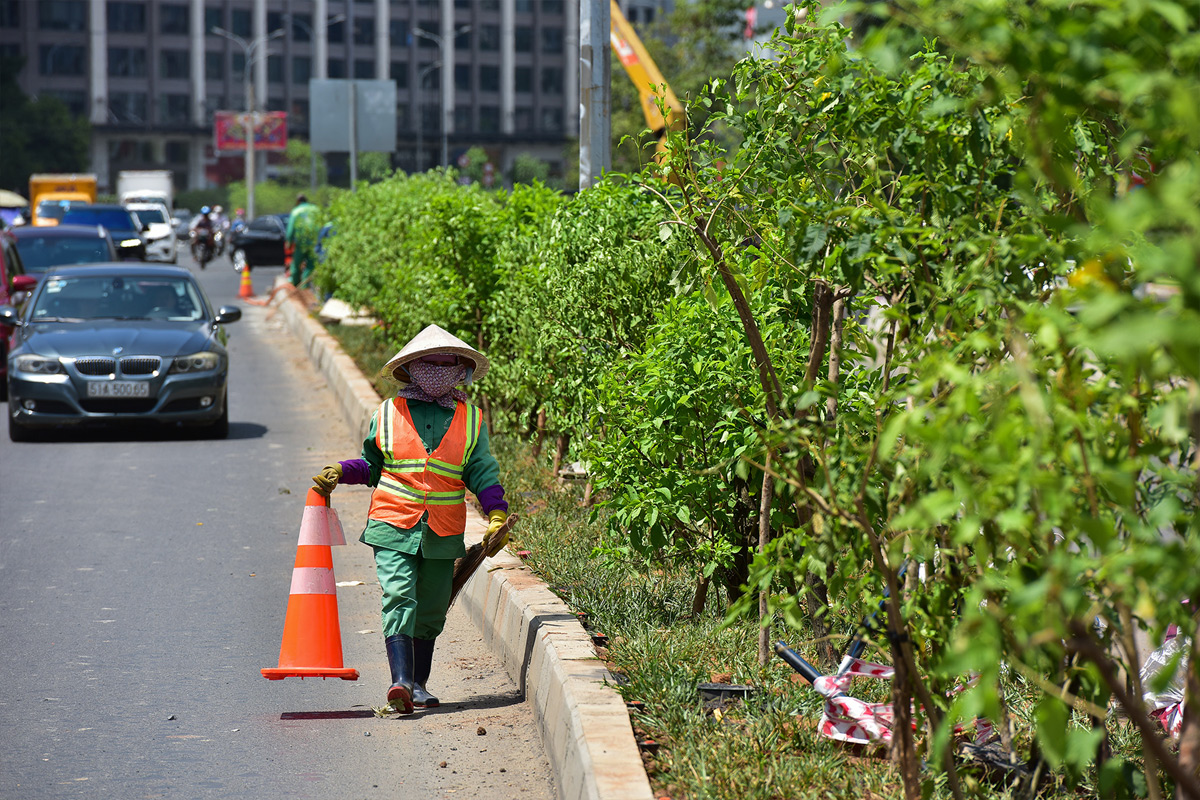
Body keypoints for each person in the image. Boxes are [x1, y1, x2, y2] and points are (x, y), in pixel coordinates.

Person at [311, 324, 510, 714]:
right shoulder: (387, 412)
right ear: (413, 367)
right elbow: (373, 465)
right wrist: (342, 470)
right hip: (392, 523)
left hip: (442, 530)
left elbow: (482, 471)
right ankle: (399, 680)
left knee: (433, 607)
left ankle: (418, 685)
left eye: (446, 362)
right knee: (400, 595)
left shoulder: (471, 419)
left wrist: (497, 513)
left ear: (460, 369)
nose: (437, 368)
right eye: (429, 362)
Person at [285, 194, 320, 288]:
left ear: (298, 201)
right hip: (314, 241)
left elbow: (291, 228)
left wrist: (289, 241)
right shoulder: (315, 209)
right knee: (310, 265)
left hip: (301, 242)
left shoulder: (296, 211)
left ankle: (295, 285)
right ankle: (305, 286)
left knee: (296, 264)